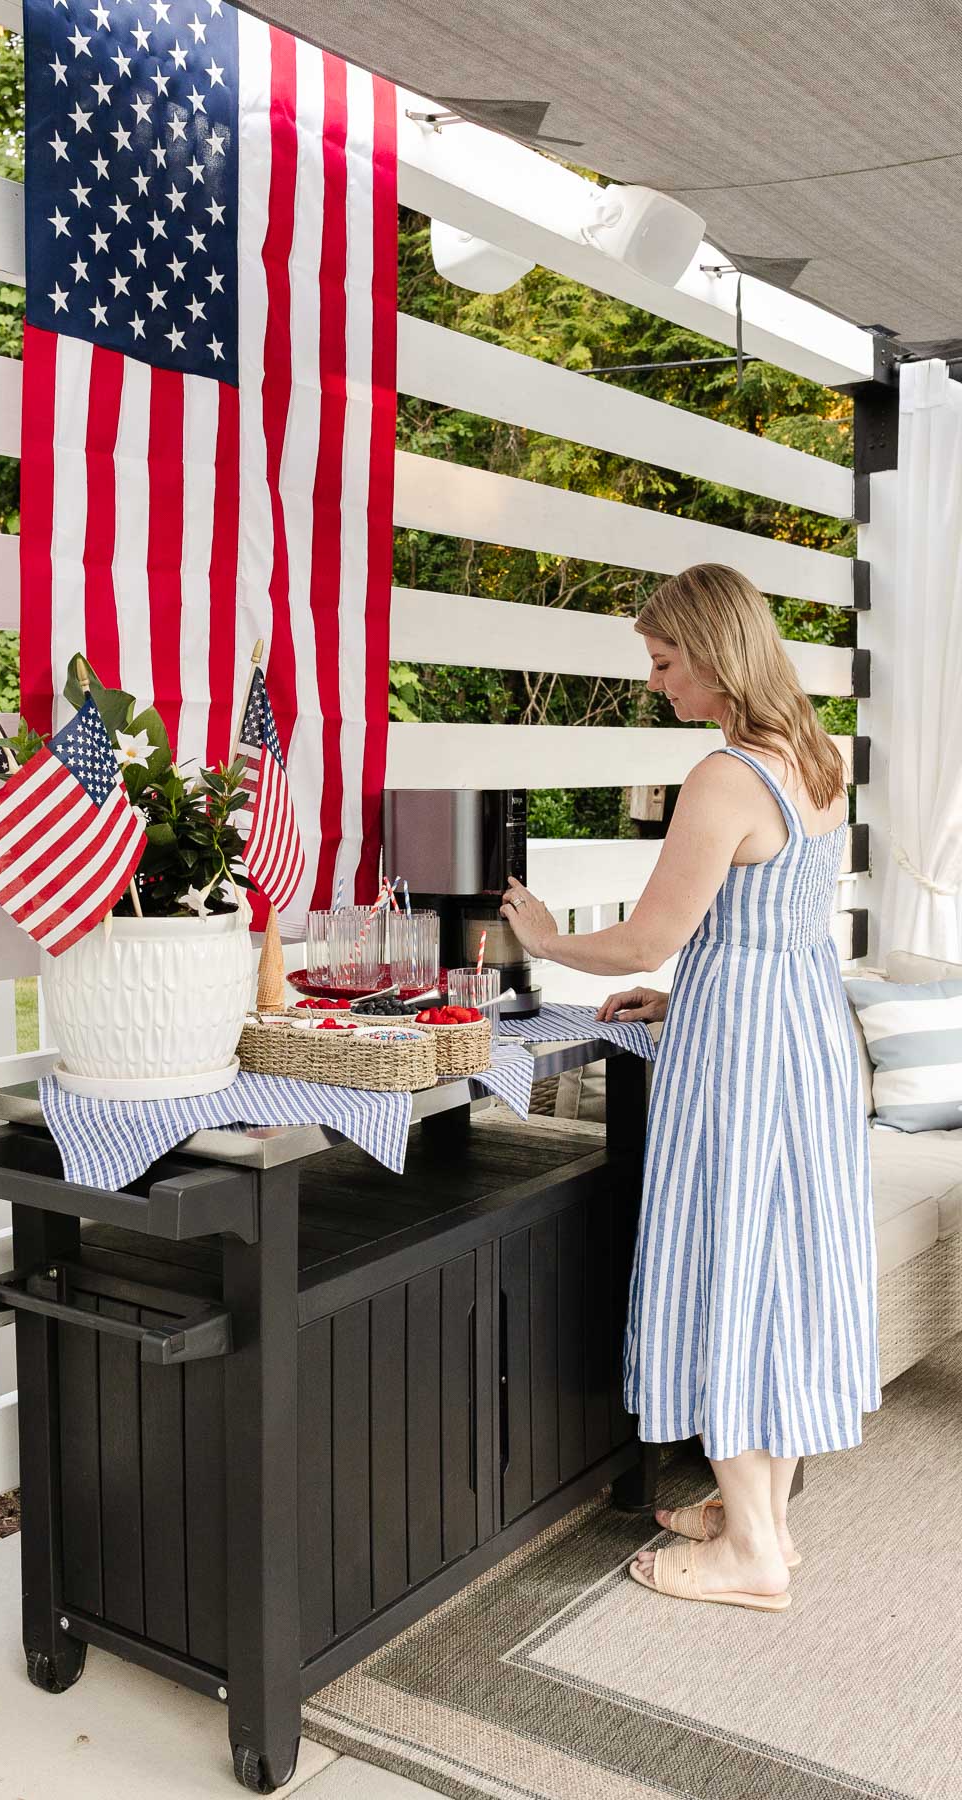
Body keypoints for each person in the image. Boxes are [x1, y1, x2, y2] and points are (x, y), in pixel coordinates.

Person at [499, 561, 880, 1615]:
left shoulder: (722, 776)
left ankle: (753, 1551)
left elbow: (650, 935)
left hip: (746, 1057)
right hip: (798, 1032)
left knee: (732, 1266)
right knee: (775, 1262)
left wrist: (548, 941)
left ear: (715, 653)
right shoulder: (812, 754)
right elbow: (771, 921)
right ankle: (759, 1515)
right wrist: (683, 999)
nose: (656, 682)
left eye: (665, 662)